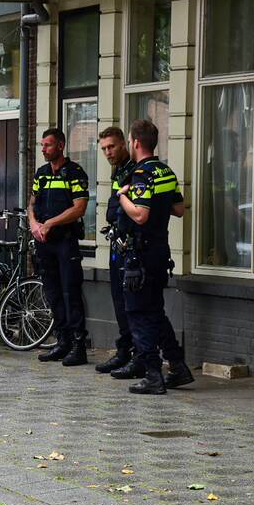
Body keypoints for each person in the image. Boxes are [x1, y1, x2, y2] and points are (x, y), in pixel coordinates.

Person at [96, 127, 189, 382]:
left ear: (135, 143)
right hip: (160, 249)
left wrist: (123, 196)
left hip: (140, 253)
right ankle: (178, 367)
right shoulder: (166, 171)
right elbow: (178, 208)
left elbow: (139, 214)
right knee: (155, 311)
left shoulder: (140, 174)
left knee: (138, 313)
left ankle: (151, 374)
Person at [28, 128, 91, 367]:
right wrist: (34, 224)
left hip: (65, 241)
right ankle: (62, 341)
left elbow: (79, 207)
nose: (43, 149)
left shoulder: (74, 173)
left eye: (48, 145)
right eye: (42, 145)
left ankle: (78, 346)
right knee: (53, 294)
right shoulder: (42, 174)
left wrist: (51, 223)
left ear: (61, 146)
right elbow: (31, 204)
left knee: (70, 293)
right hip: (44, 243)